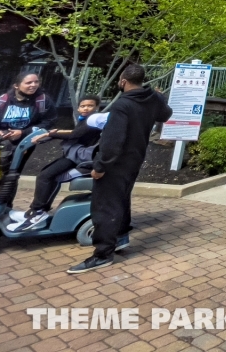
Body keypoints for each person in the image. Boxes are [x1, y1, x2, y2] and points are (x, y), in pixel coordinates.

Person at [67, 64, 172, 274]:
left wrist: (100, 166)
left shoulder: (122, 105)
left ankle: (102, 254)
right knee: (121, 198)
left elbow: (112, 139)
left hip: (116, 162)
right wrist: (159, 96)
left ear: (123, 81)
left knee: (105, 206)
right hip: (135, 159)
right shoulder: (151, 98)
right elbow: (165, 115)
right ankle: (121, 237)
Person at [9, 96, 102, 232]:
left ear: (97, 107)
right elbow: (75, 132)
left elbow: (74, 135)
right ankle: (38, 211)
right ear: (78, 108)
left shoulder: (93, 120)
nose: (86, 108)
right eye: (82, 106)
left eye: (90, 106)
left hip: (79, 157)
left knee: (45, 176)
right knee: (48, 174)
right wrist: (53, 132)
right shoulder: (87, 120)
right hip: (74, 154)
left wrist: (50, 135)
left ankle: (38, 212)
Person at [0, 71, 56, 207]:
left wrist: (23, 132)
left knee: (11, 176)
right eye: (28, 82)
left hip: (22, 146)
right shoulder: (1, 101)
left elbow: (49, 122)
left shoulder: (43, 101)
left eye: (36, 82)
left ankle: (2, 207)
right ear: (16, 86)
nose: (33, 85)